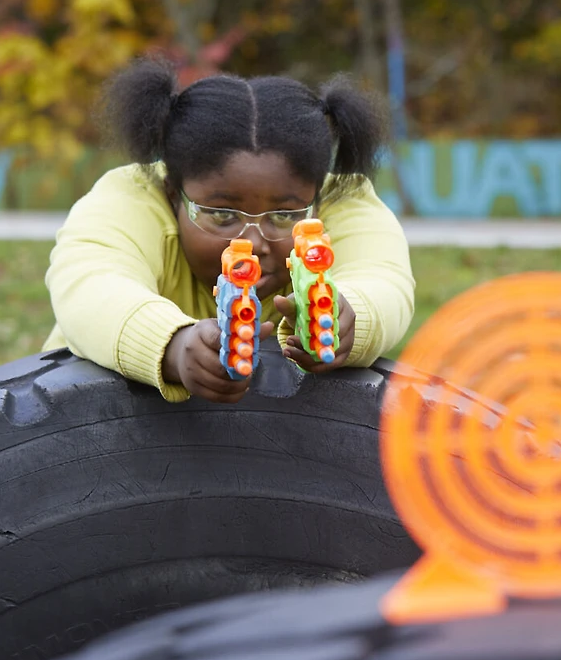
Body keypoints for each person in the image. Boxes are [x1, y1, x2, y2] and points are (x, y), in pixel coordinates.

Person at [42, 56, 415, 403]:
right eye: (221, 214)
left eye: (284, 216)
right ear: (173, 193)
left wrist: (350, 319)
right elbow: (89, 285)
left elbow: (384, 280)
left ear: (318, 199)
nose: (252, 243)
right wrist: (173, 344)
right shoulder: (130, 198)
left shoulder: (346, 203)